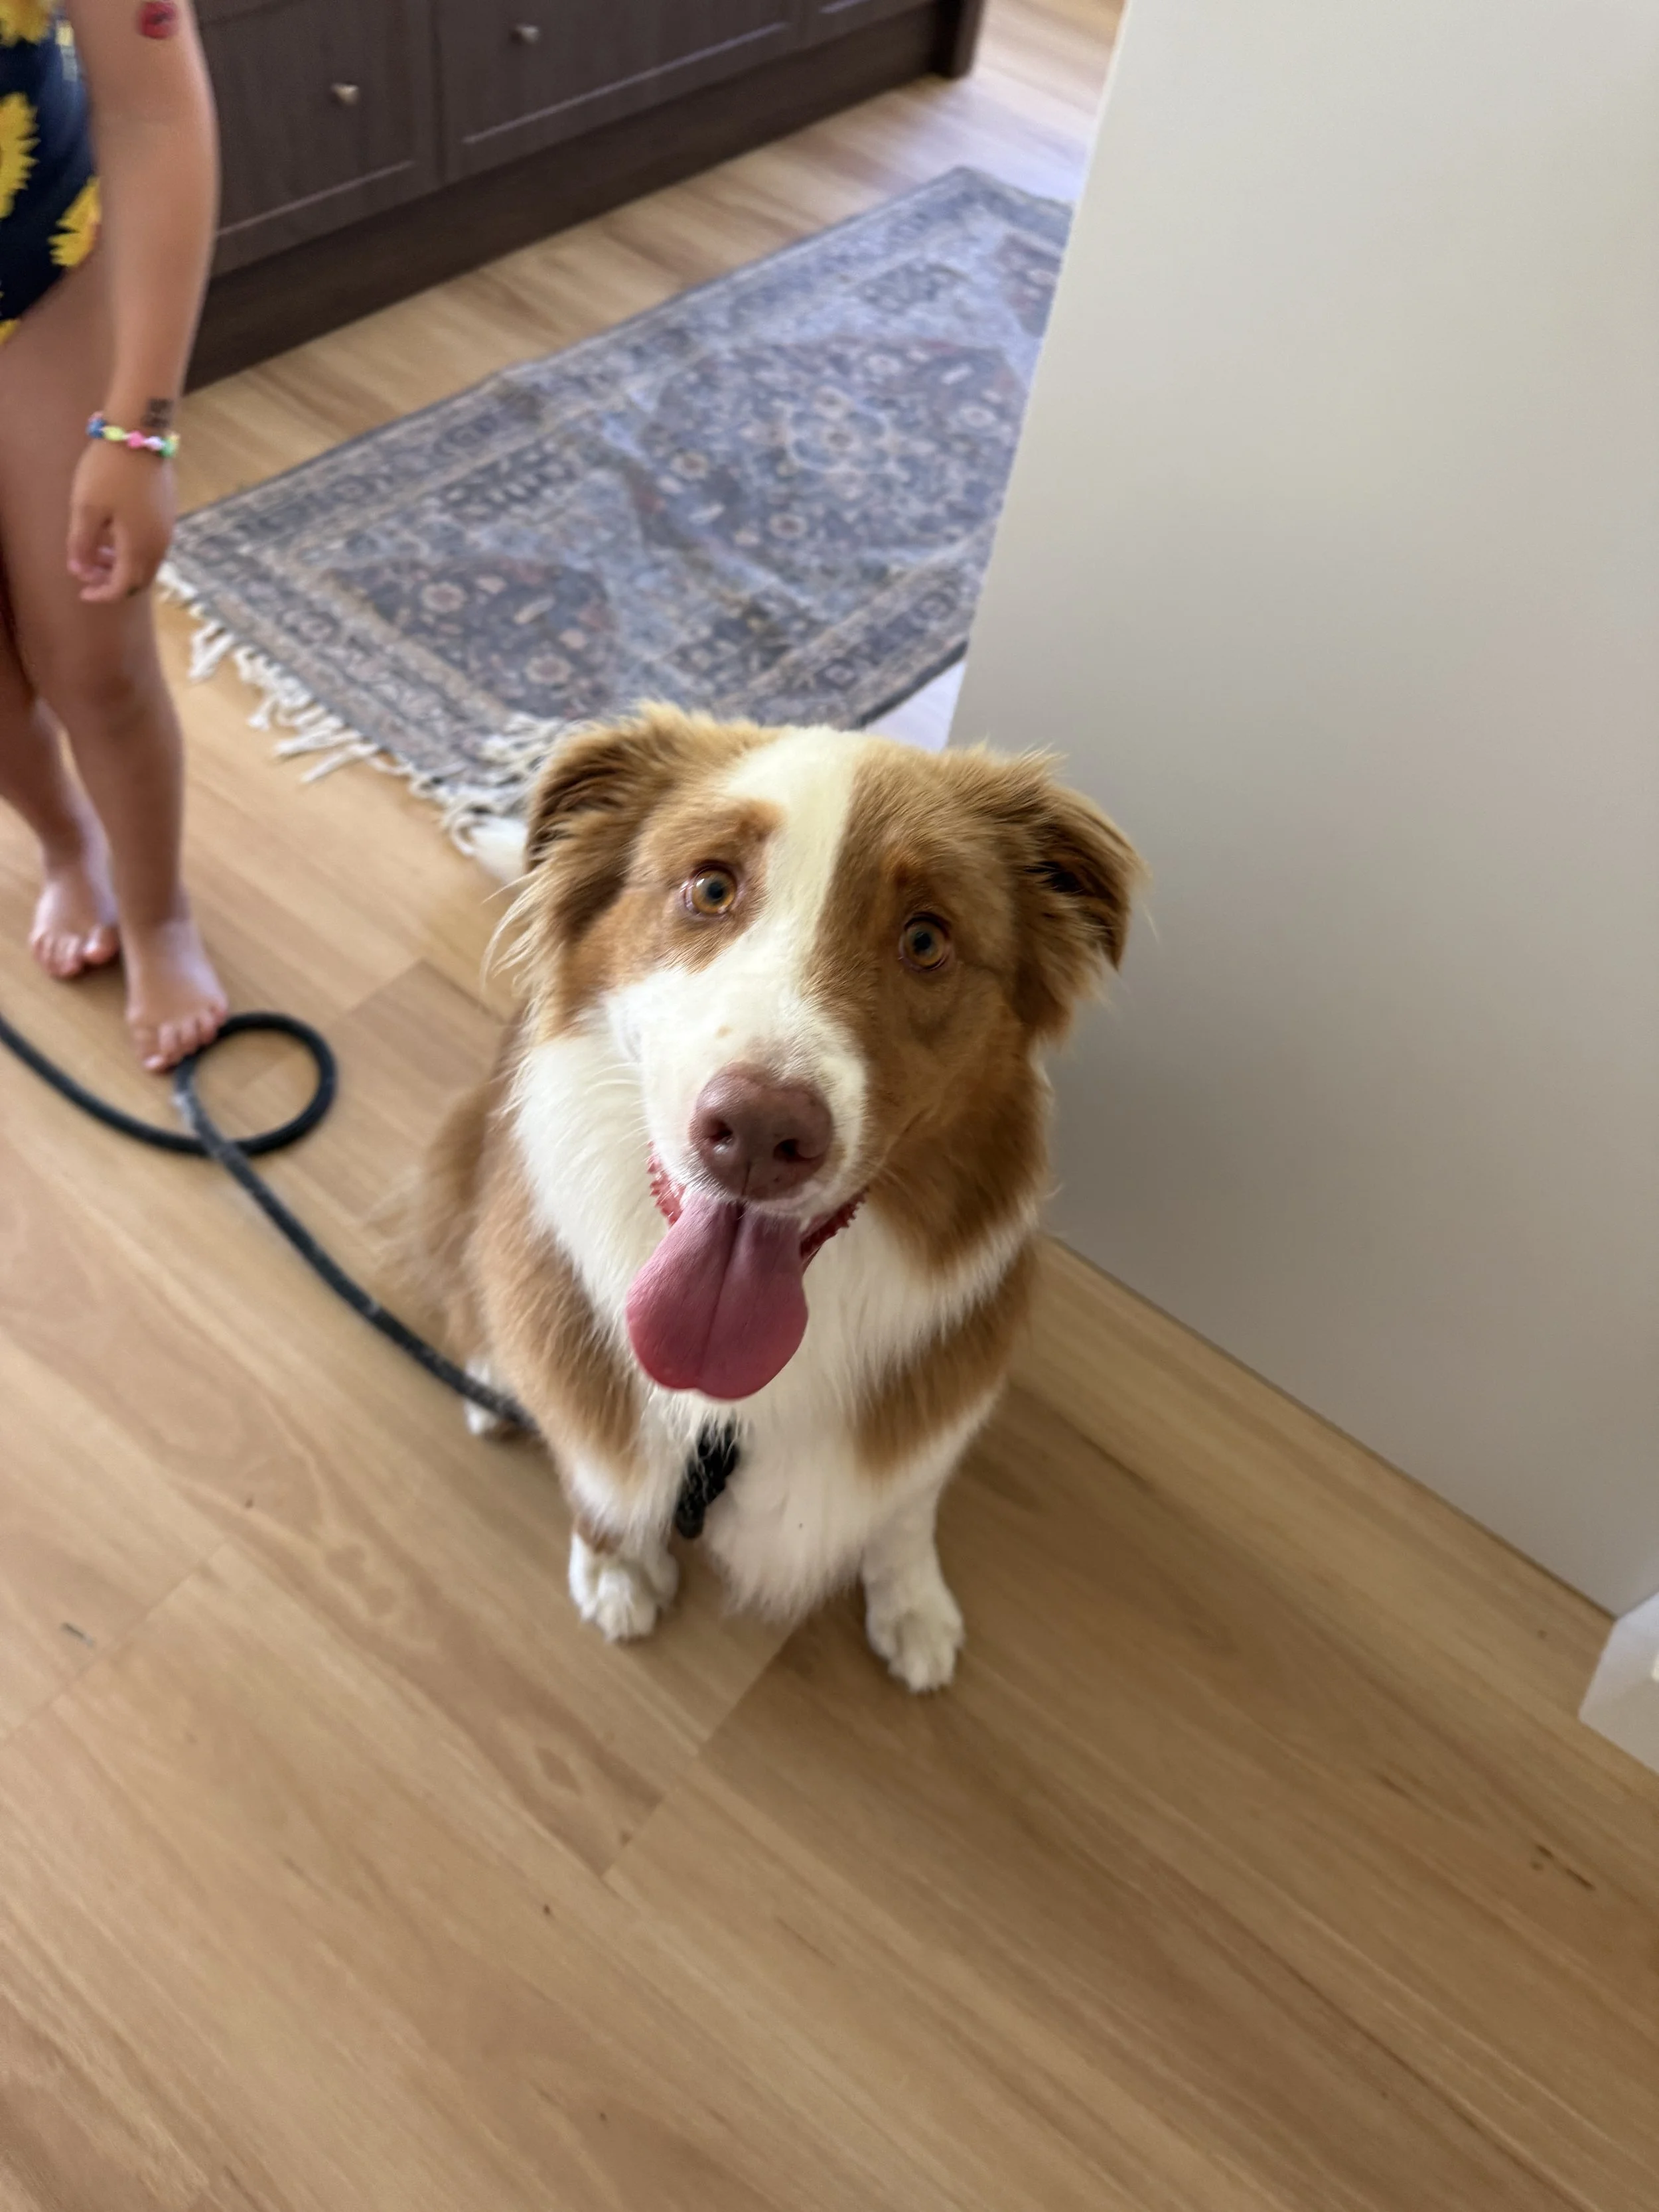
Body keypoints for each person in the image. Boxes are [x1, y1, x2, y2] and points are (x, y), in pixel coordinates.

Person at [0, 0, 223, 1071]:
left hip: (40, 275)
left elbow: (152, 113)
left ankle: (157, 916)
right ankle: (64, 843)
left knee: (97, 665)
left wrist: (138, 431)